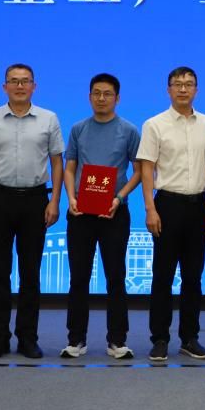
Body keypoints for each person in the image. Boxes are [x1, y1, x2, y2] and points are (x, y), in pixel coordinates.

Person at [0, 63, 63, 360]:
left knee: (30, 273)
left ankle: (27, 338)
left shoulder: (48, 118)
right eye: (14, 81)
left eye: (25, 81)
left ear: (34, 86)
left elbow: (57, 162)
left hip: (35, 200)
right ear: (4, 86)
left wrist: (54, 201)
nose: (20, 86)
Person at [136, 66, 205, 363]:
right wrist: (150, 208)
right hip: (167, 205)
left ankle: (189, 338)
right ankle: (159, 338)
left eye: (189, 84)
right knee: (162, 276)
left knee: (193, 276)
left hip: (198, 205)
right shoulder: (154, 124)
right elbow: (147, 168)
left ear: (196, 89)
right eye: (177, 84)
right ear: (168, 89)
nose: (183, 89)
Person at [60, 73, 142, 361]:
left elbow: (139, 171)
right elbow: (70, 168)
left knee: (116, 276)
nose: (101, 98)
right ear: (89, 96)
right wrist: (70, 198)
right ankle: (76, 340)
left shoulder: (129, 130)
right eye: (96, 93)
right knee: (78, 277)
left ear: (117, 98)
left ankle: (117, 340)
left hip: (114, 213)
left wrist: (120, 197)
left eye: (107, 94)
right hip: (81, 212)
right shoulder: (78, 129)